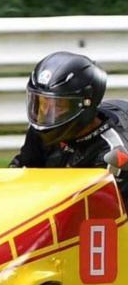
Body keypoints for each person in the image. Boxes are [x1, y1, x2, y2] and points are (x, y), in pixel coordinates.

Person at [10, 51, 128, 204]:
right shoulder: (40, 130)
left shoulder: (113, 153)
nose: (45, 114)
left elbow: (106, 216)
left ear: (85, 106)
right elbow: (21, 178)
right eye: (41, 104)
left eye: (57, 106)